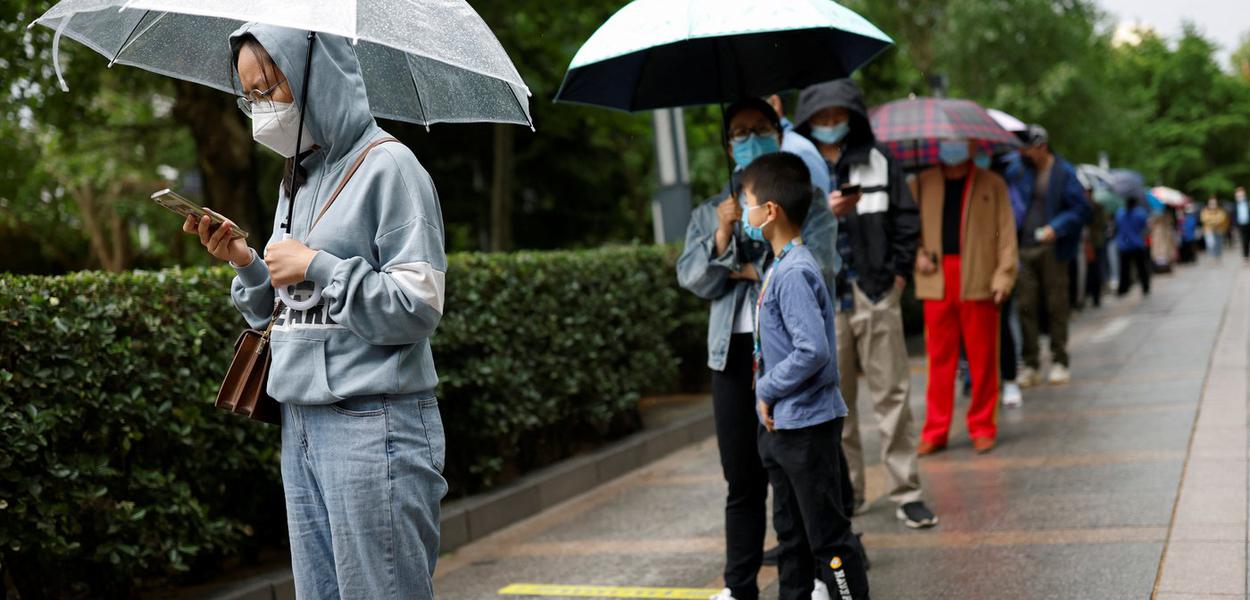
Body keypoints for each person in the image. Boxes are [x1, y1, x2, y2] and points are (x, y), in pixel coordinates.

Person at [185, 24, 448, 599]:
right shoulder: (295, 182)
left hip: (372, 423)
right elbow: (286, 313)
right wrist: (247, 264)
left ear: (313, 76)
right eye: (248, 94)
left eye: (269, 88)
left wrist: (318, 265)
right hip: (300, 425)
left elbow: (417, 307)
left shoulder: (392, 169)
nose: (260, 107)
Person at [677, 97, 835, 600]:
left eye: (759, 129)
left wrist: (753, 269)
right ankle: (738, 584)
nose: (749, 139)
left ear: (778, 132)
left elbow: (821, 270)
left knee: (799, 476)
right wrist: (725, 233)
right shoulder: (712, 211)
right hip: (732, 353)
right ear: (728, 145)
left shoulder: (804, 201)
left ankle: (814, 576)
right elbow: (693, 279)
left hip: (787, 357)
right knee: (741, 476)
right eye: (739, 132)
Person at [792, 79, 937, 529]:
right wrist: (823, 214)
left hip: (874, 290)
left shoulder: (880, 159)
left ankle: (907, 491)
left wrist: (895, 273)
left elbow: (906, 218)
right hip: (822, 299)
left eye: (838, 117)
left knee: (892, 393)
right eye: (822, 119)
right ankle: (850, 492)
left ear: (852, 118)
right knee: (837, 404)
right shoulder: (798, 166)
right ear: (808, 122)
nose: (831, 125)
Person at [745, 152, 869, 600]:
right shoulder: (778, 266)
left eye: (748, 201)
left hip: (806, 426)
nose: (745, 211)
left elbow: (812, 350)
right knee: (792, 539)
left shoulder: (795, 271)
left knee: (828, 540)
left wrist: (767, 387)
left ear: (770, 211)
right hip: (782, 426)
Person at [913, 139, 1018, 455]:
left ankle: (983, 425)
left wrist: (1003, 275)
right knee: (939, 360)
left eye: (958, 141)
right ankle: (935, 430)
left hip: (979, 276)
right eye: (945, 141)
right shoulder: (921, 183)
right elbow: (907, 228)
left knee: (983, 357)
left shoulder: (992, 183)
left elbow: (1006, 233)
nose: (953, 147)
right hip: (936, 277)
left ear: (974, 146)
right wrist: (916, 254)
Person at [1005, 125, 1089, 387]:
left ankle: (1059, 360)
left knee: (1056, 305)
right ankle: (1030, 363)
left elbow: (1080, 209)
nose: (1025, 153)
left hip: (1054, 247)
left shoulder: (1064, 172)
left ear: (1042, 147)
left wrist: (1058, 226)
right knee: (1025, 305)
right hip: (1024, 246)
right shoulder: (1019, 171)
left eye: (1029, 148)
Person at [1115, 195, 1151, 297]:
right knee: (1142, 268)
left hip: (1124, 245)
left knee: (1124, 270)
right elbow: (1144, 227)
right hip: (1137, 244)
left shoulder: (1120, 213)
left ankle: (1123, 289)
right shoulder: (1140, 213)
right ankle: (1145, 287)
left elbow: (1117, 226)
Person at [1202, 196, 1230, 262]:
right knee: (1210, 244)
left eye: (1214, 203)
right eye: (1211, 203)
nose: (1212, 205)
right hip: (1209, 230)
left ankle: (1217, 256)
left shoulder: (1220, 211)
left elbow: (1222, 218)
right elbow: (1204, 219)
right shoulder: (1205, 211)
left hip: (1218, 230)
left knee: (1218, 244)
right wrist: (1214, 221)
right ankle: (1212, 257)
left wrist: (1212, 221)